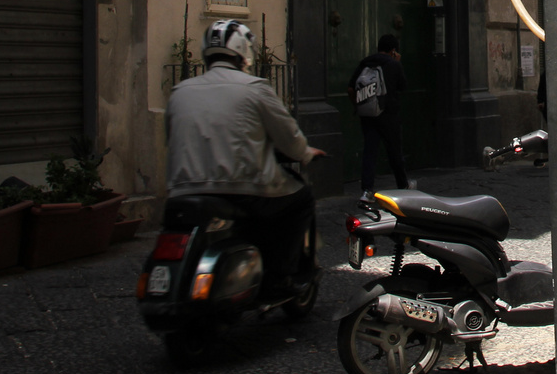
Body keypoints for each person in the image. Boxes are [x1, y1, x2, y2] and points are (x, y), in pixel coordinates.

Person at [166, 20, 325, 295]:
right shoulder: (255, 88)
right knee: (300, 200)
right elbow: (289, 137)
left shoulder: (180, 91)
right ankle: (280, 276)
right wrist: (305, 154)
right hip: (244, 191)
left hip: (184, 191)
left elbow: (171, 138)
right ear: (243, 52)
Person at [347, 33, 409, 194]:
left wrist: (358, 105)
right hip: (389, 115)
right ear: (393, 50)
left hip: (367, 114)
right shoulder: (393, 64)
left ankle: (367, 190)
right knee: (395, 152)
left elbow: (350, 88)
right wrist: (397, 63)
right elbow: (402, 86)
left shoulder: (366, 62)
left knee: (370, 151)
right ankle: (403, 186)